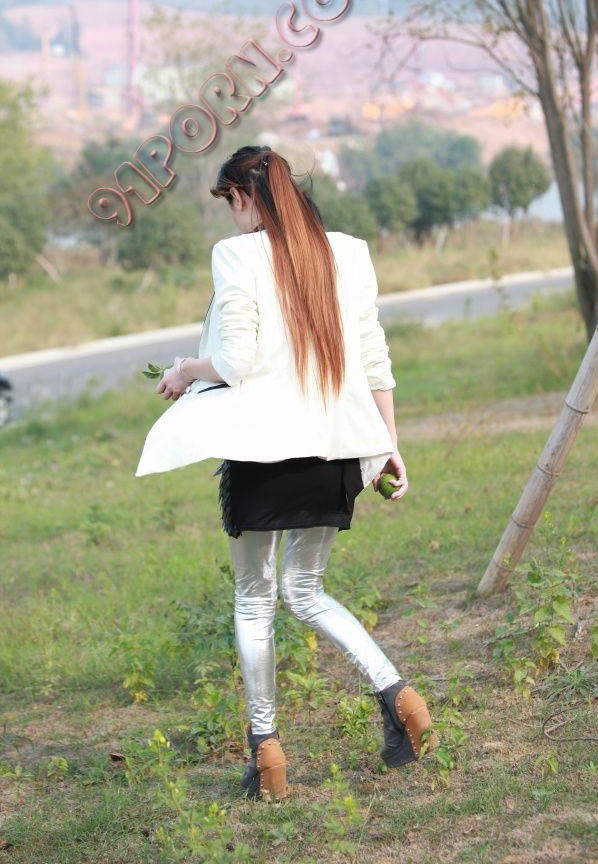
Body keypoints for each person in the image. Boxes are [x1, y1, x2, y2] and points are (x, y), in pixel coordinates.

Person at [135, 145, 437, 800]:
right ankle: (400, 697)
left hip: (264, 454)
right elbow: (374, 360)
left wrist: (184, 371)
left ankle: (267, 752)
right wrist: (388, 443)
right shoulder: (348, 252)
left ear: (245, 197)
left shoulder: (236, 255)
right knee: (306, 590)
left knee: (255, 599)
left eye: (231, 203)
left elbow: (234, 361)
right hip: (336, 450)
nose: (233, 217)